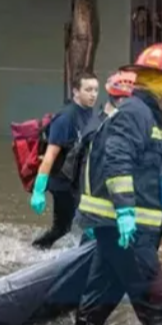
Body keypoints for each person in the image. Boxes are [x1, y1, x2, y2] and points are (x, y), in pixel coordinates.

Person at [72, 44, 162, 325]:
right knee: (159, 298)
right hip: (126, 230)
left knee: (102, 296)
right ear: (161, 82)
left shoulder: (147, 114)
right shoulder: (137, 113)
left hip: (118, 229)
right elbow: (117, 157)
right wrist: (125, 212)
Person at [28, 71, 98, 249]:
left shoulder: (91, 113)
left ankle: (86, 253)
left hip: (78, 180)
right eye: (88, 89)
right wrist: (39, 189)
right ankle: (37, 249)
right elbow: (50, 155)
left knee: (85, 222)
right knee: (63, 228)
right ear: (75, 91)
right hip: (62, 182)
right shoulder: (65, 119)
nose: (93, 94)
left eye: (96, 90)